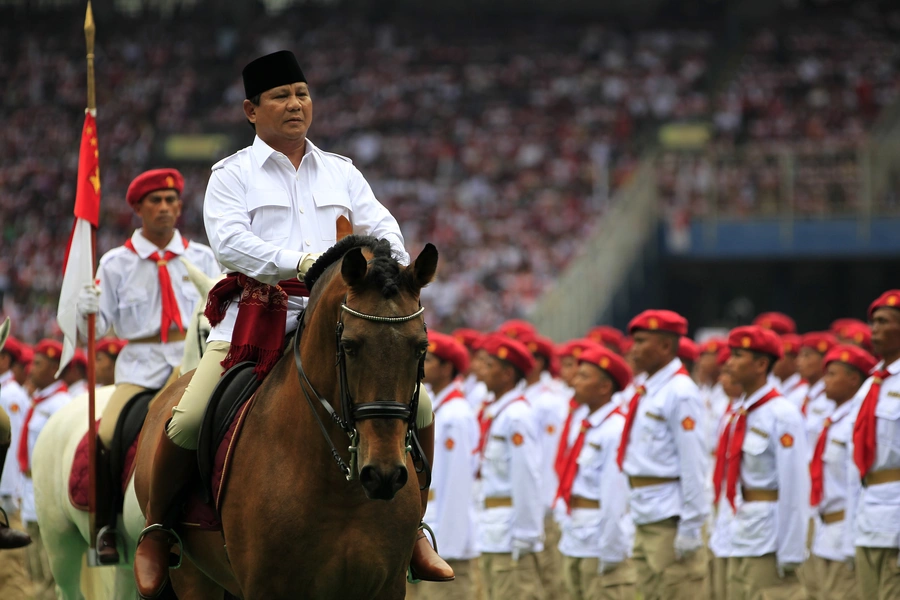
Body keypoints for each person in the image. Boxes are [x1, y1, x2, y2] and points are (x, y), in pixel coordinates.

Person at [133, 50, 447, 597]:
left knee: (418, 404)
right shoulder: (231, 175)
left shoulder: (342, 171)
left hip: (343, 319)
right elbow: (230, 242)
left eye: (302, 94)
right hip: (259, 317)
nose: (295, 104)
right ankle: (159, 534)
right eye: (281, 96)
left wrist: (389, 266)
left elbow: (384, 227)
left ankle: (413, 526)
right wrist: (299, 264)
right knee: (186, 418)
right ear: (252, 110)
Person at [76, 168, 220, 564]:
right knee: (108, 434)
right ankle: (106, 525)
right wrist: (84, 310)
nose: (165, 208)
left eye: (171, 200)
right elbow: (98, 326)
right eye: (155, 201)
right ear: (138, 208)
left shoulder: (202, 256)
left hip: (194, 364)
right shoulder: (115, 263)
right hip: (140, 369)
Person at [617, 309, 709, 600]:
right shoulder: (649, 390)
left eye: (642, 341)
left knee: (676, 590)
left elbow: (694, 462)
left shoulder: (679, 392)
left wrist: (692, 526)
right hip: (645, 512)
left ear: (666, 346)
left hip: (669, 516)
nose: (633, 349)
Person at [720, 326, 809, 600]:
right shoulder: (741, 412)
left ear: (761, 364)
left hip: (769, 537)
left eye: (738, 355)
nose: (729, 362)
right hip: (741, 530)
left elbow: (795, 486)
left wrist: (792, 550)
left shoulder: (782, 414)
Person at [556, 346, 636, 600]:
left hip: (599, 541)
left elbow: (615, 495)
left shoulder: (614, 428)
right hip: (576, 535)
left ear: (604, 387)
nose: (574, 382)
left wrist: (612, 549)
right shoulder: (586, 424)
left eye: (583, 377)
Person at [474, 334, 544, 600]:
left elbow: (527, 477)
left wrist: (526, 534)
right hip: (493, 530)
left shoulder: (517, 415)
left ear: (506, 374)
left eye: (489, 366)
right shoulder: (498, 412)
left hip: (511, 534)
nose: (482, 371)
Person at [808, 345, 876, 600]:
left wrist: (850, 541)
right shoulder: (832, 419)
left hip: (844, 529)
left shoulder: (855, 422)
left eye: (833, 374)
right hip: (823, 531)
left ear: (853, 380)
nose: (825, 381)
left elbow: (855, 481)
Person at [417, 332, 480, 600]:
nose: (423, 364)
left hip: (446, 537)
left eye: (429, 359)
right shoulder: (436, 406)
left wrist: (447, 548)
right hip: (430, 525)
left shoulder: (457, 414)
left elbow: (457, 484)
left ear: (447, 368)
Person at [846, 290, 900, 599]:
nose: (874, 329)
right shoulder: (870, 384)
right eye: (872, 322)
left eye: (883, 322)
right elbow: (854, 460)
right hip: (867, 519)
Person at [20, 340, 73, 600]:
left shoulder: (62, 403)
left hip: (50, 494)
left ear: (54, 367)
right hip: (30, 492)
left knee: (52, 572)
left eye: (38, 364)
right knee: (34, 571)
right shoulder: (39, 401)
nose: (30, 369)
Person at [707, 370, 742, 600]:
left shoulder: (772, 413)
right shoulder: (730, 413)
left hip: (747, 510)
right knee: (719, 587)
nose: (721, 379)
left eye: (729, 374)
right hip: (723, 502)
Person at [0, 335, 31, 550]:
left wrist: (8, 491)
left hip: (7, 490)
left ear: (4, 359)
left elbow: (12, 445)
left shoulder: (9, 394)